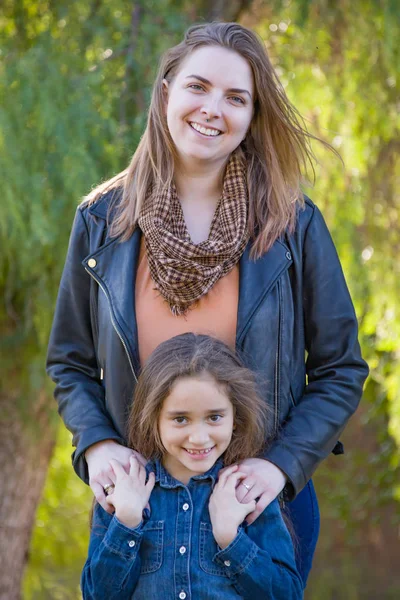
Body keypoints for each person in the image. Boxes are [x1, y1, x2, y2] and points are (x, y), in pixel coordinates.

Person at [46, 21, 369, 587]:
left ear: (252, 116)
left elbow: (341, 369)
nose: (212, 109)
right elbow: (70, 363)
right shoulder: (100, 220)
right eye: (198, 87)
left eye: (236, 98)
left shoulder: (293, 225)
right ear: (166, 91)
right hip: (139, 509)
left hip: (257, 512)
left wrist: (280, 466)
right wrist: (96, 447)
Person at [81, 333, 303, 599]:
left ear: (235, 417)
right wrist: (126, 522)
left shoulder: (248, 492)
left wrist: (231, 540)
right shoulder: (122, 488)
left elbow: (287, 594)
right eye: (181, 420)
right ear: (155, 419)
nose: (199, 437)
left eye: (214, 417)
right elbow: (97, 594)